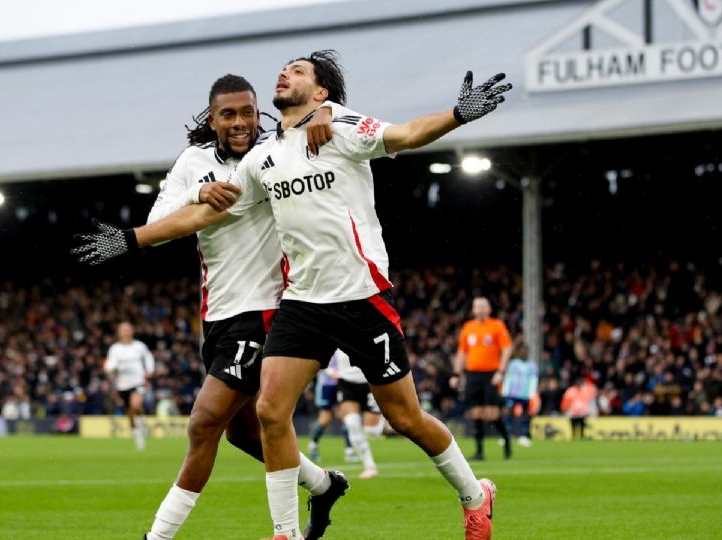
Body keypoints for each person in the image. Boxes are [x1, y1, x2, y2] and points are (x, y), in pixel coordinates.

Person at [73, 50, 511, 540]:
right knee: (268, 412)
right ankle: (284, 532)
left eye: (299, 70)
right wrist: (132, 238)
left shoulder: (341, 127)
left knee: (405, 417)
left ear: (321, 92)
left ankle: (476, 496)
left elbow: (407, 135)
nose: (286, 72)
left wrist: (458, 114)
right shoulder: (261, 159)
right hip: (302, 302)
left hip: (363, 295)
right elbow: (202, 216)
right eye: (284, 69)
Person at [79, 74, 347, 540]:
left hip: (267, 312)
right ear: (212, 118)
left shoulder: (277, 152)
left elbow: (326, 122)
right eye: (229, 114)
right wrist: (196, 193)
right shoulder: (192, 162)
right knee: (242, 434)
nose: (241, 122)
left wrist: (326, 111)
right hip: (217, 318)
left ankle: (156, 537)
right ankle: (323, 485)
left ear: (259, 111)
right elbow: (158, 223)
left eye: (248, 111)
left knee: (203, 422)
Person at [451, 297, 514, 460]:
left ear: (489, 309)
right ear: (473, 310)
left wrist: (501, 371)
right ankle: (479, 451)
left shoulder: (497, 325)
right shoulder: (468, 327)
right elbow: (462, 352)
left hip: (491, 373)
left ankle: (506, 440)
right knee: (476, 412)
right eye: (477, 307)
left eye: (482, 307)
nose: (479, 310)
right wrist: (457, 374)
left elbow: (506, 349)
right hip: (473, 374)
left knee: (492, 413)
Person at [104, 321, 155, 450]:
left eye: (128, 329)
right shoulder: (115, 349)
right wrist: (115, 366)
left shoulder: (139, 346)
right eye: (123, 330)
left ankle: (142, 425)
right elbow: (108, 366)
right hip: (123, 384)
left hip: (138, 382)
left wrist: (149, 370)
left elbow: (148, 357)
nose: (125, 332)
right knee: (130, 412)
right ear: (119, 333)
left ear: (132, 331)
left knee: (136, 404)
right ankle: (138, 435)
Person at [332, 349, 381, 479]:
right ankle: (370, 466)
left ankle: (385, 417)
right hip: (346, 383)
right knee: (352, 423)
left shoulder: (367, 329)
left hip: (370, 381)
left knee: (372, 431)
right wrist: (329, 371)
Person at [501, 346, 538, 447]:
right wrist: (505, 391)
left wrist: (532, 393)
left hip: (525, 394)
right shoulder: (513, 364)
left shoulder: (532, 365)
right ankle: (507, 435)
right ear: (519, 352)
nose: (524, 354)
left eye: (525, 352)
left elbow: (534, 380)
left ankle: (523, 435)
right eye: (522, 352)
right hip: (513, 393)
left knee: (525, 414)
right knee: (509, 412)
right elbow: (508, 377)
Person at [308, 364, 341, 463]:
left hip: (342, 383)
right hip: (326, 386)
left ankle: (350, 451)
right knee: (326, 418)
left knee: (346, 417)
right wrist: (329, 371)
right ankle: (313, 445)